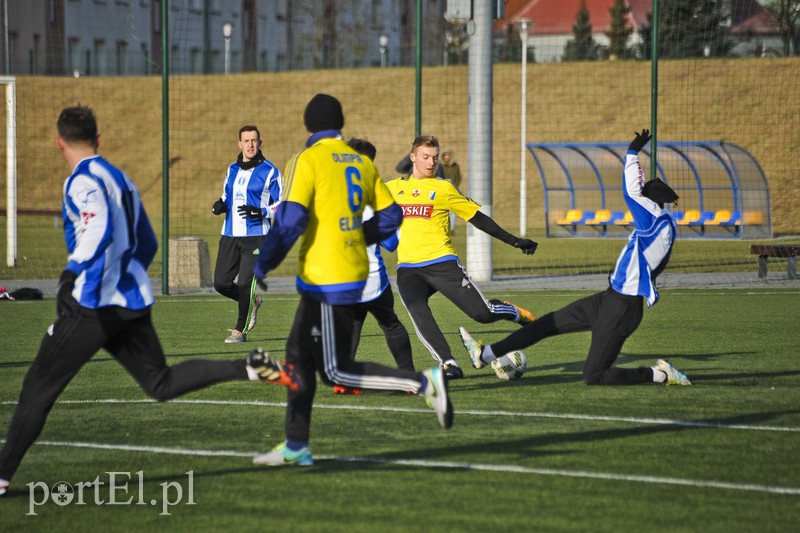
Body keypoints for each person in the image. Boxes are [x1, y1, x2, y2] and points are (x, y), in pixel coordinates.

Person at [0, 106, 299, 497]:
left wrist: (70, 278)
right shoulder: (120, 178)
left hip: (92, 304)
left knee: (38, 385)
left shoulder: (82, 181)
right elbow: (147, 240)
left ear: (59, 144)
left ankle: (3, 476)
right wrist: (129, 277)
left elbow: (97, 230)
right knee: (160, 382)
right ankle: (247, 366)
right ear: (99, 140)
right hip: (132, 301)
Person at [250, 94, 454, 467]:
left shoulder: (306, 159)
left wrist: (265, 260)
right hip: (350, 270)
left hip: (329, 276)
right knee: (296, 358)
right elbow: (392, 218)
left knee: (335, 370)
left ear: (309, 125)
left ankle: (424, 383)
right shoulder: (360, 162)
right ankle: (296, 445)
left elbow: (292, 219)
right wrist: (359, 238)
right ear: (340, 123)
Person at [459, 129, 692, 386]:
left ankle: (660, 375)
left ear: (651, 202)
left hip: (622, 308)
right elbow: (640, 195)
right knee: (545, 325)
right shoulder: (660, 223)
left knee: (595, 375)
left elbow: (633, 192)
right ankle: (484, 355)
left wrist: (632, 153)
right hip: (610, 299)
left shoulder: (655, 220)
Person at [386, 134, 539, 380]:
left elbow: (477, 218)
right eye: (425, 157)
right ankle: (448, 364)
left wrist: (514, 240)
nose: (431, 162)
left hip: (442, 263)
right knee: (417, 311)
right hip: (408, 268)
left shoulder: (444, 188)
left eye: (434, 158)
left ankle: (513, 312)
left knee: (482, 315)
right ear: (412, 157)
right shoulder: (392, 189)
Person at [333, 137, 415, 395]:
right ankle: (408, 376)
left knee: (353, 322)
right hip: (371, 277)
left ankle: (344, 380)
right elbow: (391, 243)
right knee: (389, 322)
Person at [211, 125, 283, 343]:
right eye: (246, 141)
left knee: (244, 284)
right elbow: (227, 196)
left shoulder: (271, 171)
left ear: (260, 143)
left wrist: (261, 211)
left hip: (257, 235)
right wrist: (220, 205)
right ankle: (253, 301)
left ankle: (240, 331)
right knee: (220, 283)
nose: (250, 145)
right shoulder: (232, 169)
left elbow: (282, 204)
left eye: (254, 140)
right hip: (230, 233)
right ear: (239, 144)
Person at [440, 148, 463, 235]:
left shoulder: (455, 166)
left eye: (448, 155)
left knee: (452, 211)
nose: (447, 157)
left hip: (453, 190)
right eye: (445, 155)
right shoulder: (440, 166)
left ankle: (452, 229)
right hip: (443, 190)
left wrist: (455, 187)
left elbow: (458, 177)